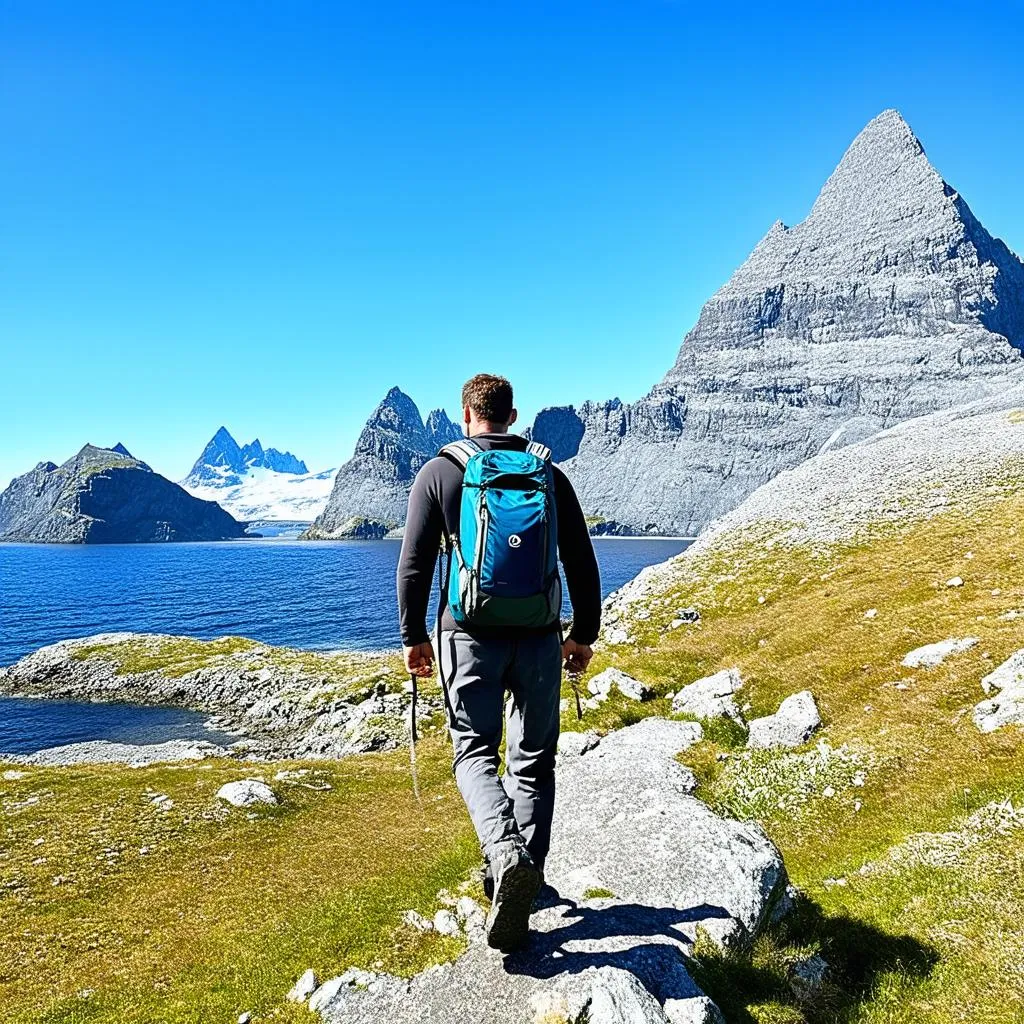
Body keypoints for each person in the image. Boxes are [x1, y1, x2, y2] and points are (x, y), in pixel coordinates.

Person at [396, 372, 601, 952]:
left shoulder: (440, 472)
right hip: (538, 637)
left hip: (468, 634)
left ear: (466, 415)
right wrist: (583, 633)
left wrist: (414, 637)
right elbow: (580, 559)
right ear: (512, 417)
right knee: (534, 761)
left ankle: (505, 860)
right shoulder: (546, 473)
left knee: (473, 753)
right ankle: (521, 881)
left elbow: (413, 565)